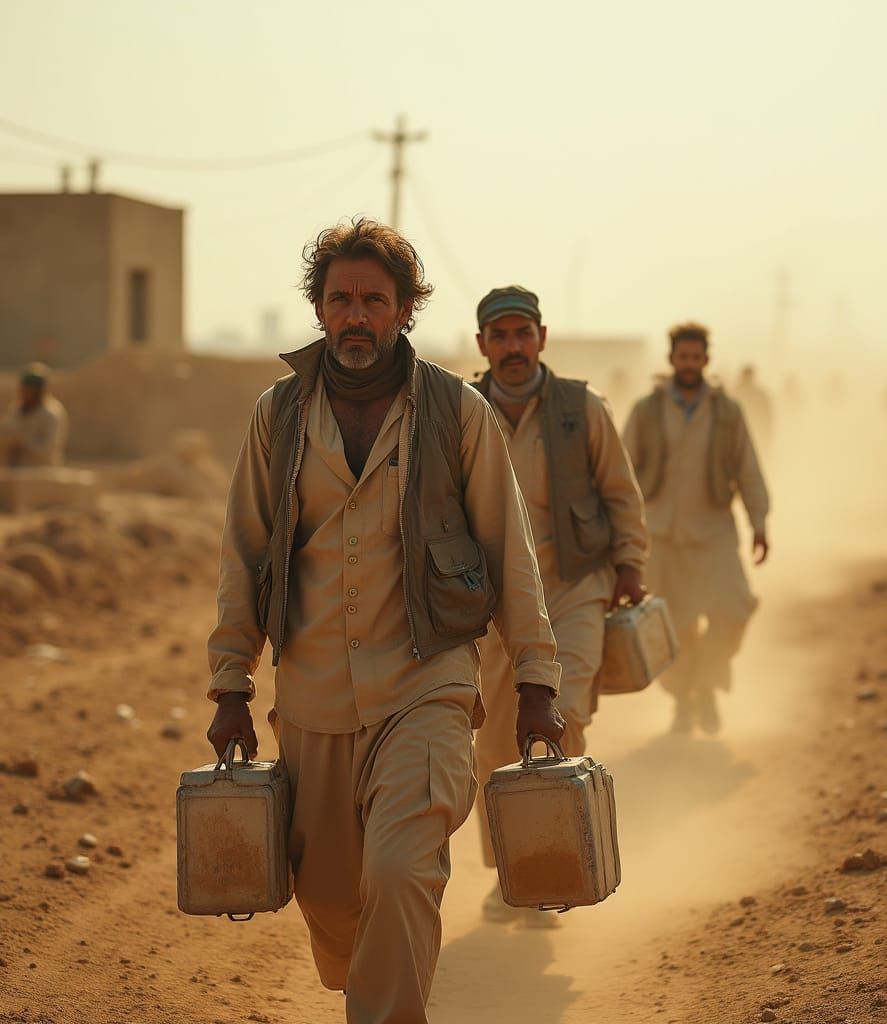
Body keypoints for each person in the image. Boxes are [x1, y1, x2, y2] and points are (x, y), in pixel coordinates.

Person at [205, 220, 564, 1024]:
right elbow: (244, 551)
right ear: (320, 310)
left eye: (375, 300)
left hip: (425, 688)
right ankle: (363, 979)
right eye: (341, 300)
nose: (356, 316)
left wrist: (537, 679)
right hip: (314, 703)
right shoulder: (280, 414)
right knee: (335, 906)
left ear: (405, 309)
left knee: (401, 873)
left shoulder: (457, 412)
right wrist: (230, 683)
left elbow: (510, 554)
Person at [471, 285, 649, 923]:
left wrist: (630, 563)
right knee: (492, 741)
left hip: (575, 586)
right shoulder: (461, 414)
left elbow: (621, 493)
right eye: (500, 336)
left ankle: (560, 859)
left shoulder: (582, 408)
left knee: (561, 713)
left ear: (541, 339)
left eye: (523, 334)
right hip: (493, 604)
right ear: (482, 345)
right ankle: (510, 872)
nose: (513, 347)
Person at [623, 322, 769, 736]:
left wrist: (759, 522)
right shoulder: (646, 410)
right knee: (674, 627)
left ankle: (707, 682)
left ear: (706, 359)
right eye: (682, 357)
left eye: (696, 357)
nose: (689, 364)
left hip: (715, 533)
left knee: (735, 611)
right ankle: (685, 701)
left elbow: (749, 470)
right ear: (671, 360)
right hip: (662, 537)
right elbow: (619, 472)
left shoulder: (728, 411)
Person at [0, 363, 68, 467]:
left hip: (42, 470)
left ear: (39, 392)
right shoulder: (17, 409)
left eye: (29, 391)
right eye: (24, 390)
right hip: (16, 469)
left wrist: (23, 440)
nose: (25, 394)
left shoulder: (51, 414)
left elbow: (47, 450)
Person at [733, 364, 774, 453]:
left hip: (758, 434)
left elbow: (767, 417)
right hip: (739, 436)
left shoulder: (760, 395)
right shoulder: (734, 393)